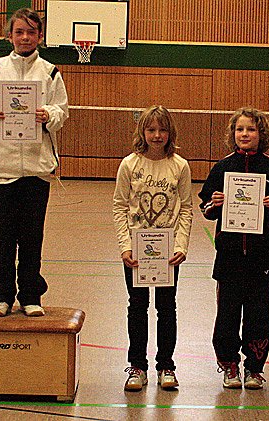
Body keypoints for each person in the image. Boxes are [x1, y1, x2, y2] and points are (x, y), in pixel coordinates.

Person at [0, 8, 69, 317]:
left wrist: (48, 114)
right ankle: (0, 296)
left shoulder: (50, 72)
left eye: (31, 32)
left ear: (39, 36)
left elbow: (62, 111)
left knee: (31, 238)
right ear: (10, 36)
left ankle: (30, 295)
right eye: (19, 32)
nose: (25, 37)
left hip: (36, 171)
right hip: (0, 170)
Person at [198, 107, 269, 390]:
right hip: (229, 258)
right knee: (227, 315)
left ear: (262, 134)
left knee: (258, 315)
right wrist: (215, 203)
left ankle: (254, 368)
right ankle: (229, 365)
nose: (245, 134)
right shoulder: (222, 167)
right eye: (240, 129)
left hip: (261, 258)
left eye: (251, 129)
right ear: (233, 133)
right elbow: (206, 208)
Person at [113, 105, 193, 391]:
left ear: (170, 132)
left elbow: (186, 208)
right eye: (151, 130)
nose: (157, 135)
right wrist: (125, 246)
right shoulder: (129, 165)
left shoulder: (179, 166)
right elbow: (120, 206)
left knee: (166, 308)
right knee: (137, 306)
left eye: (162, 130)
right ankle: (137, 366)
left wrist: (181, 245)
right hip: (136, 252)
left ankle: (166, 366)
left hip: (167, 253)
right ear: (142, 132)